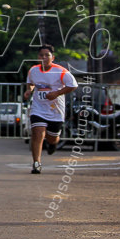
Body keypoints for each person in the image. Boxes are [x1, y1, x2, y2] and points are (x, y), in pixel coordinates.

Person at [23, 44, 77, 174]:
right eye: (41, 55)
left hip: (55, 110)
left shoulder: (61, 71)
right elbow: (30, 82)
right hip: (38, 108)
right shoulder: (33, 70)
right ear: (38, 57)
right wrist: (28, 90)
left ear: (53, 57)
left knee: (52, 138)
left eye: (47, 55)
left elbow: (73, 85)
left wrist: (57, 93)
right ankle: (36, 163)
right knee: (38, 132)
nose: (44, 57)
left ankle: (52, 144)